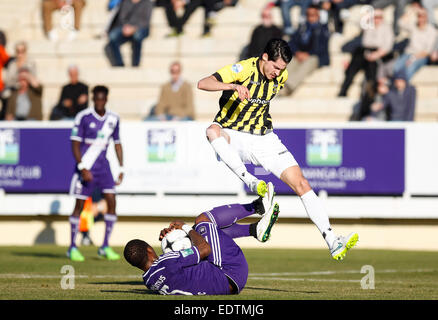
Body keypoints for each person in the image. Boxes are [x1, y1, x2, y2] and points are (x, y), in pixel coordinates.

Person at [197, 38, 358, 261]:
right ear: (264, 57)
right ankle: (251, 181)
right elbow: (203, 83)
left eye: (282, 68)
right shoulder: (242, 69)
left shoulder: (282, 75)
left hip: (265, 139)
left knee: (301, 183)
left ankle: (332, 241)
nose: (277, 72)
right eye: (275, 66)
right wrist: (232, 86)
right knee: (212, 131)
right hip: (234, 135)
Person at [124, 186, 280, 295]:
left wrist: (183, 236)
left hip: (230, 285)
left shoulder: (150, 282)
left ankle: (253, 229)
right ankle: (256, 206)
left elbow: (179, 265)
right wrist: (184, 227)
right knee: (202, 222)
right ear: (150, 249)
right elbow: (205, 249)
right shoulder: (167, 262)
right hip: (229, 270)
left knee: (205, 231)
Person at [67, 85, 124, 262]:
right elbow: (75, 143)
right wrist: (82, 167)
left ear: (106, 99)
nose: (99, 101)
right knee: (79, 205)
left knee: (112, 201)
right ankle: (72, 247)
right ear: (93, 99)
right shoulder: (83, 117)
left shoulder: (113, 118)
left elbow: (117, 143)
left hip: (104, 167)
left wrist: (121, 168)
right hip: (87, 167)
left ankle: (105, 246)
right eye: (96, 98)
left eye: (102, 99)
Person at [338, 8, 394, 97]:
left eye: (379, 17)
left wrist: (376, 55)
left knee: (371, 75)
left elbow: (388, 46)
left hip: (379, 54)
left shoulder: (387, 28)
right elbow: (358, 23)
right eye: (375, 17)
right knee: (351, 70)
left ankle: (369, 96)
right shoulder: (368, 26)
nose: (377, 19)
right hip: (365, 51)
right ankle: (343, 91)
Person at [285, 4, 330, 95]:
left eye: (313, 15)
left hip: (316, 57)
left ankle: (288, 87)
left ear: (318, 15)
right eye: (308, 15)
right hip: (300, 55)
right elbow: (292, 42)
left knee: (309, 62)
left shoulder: (323, 29)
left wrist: (308, 54)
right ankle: (279, 84)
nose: (310, 17)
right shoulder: (303, 27)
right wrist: (297, 52)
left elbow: (321, 48)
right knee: (290, 62)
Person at [393, 7, 437, 81]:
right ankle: (396, 88)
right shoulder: (413, 26)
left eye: (423, 15)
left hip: (421, 56)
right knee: (396, 67)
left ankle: (405, 89)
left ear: (426, 17)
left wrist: (412, 58)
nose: (421, 18)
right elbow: (400, 22)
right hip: (408, 54)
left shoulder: (432, 31)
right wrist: (411, 11)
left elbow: (427, 51)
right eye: (419, 15)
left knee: (410, 68)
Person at [106, 0, 153, 67]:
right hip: (126, 27)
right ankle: (119, 64)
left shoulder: (147, 3)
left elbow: (146, 21)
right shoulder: (125, 2)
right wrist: (126, 27)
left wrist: (134, 28)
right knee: (112, 36)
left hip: (141, 28)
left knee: (137, 36)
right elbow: (121, 18)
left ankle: (135, 64)